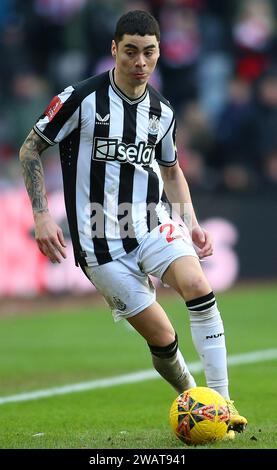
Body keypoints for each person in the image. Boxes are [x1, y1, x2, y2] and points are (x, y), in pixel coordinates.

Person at [19, 10, 247, 439]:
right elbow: (30, 148)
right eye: (131, 51)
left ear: (159, 53)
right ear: (114, 51)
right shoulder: (80, 98)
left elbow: (172, 170)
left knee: (198, 286)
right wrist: (42, 213)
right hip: (98, 242)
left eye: (149, 52)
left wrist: (191, 222)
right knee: (162, 337)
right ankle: (194, 395)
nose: (140, 61)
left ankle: (222, 402)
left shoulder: (162, 110)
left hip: (151, 223)